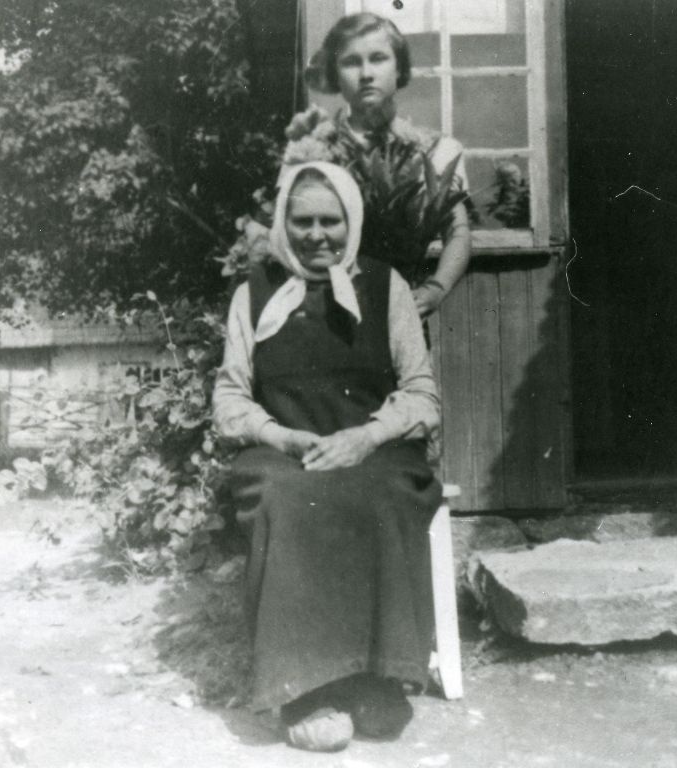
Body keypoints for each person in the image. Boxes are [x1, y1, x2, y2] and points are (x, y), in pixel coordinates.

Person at [213, 161, 442, 752]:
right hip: (286, 453)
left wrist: (366, 437)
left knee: (382, 494)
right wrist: (283, 437)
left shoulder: (386, 286)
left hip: (375, 449)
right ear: (284, 225)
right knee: (290, 499)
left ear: (352, 221)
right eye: (303, 221)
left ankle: (376, 677)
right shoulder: (252, 294)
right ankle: (307, 689)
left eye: (331, 221)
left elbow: (421, 393)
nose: (318, 235)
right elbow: (230, 398)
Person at [287, 11, 472, 319]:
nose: (366, 73)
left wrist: (437, 287)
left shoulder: (434, 150)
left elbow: (458, 231)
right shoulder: (312, 149)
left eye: (378, 58)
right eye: (350, 62)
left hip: (401, 310)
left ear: (399, 69)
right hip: (327, 312)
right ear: (334, 75)